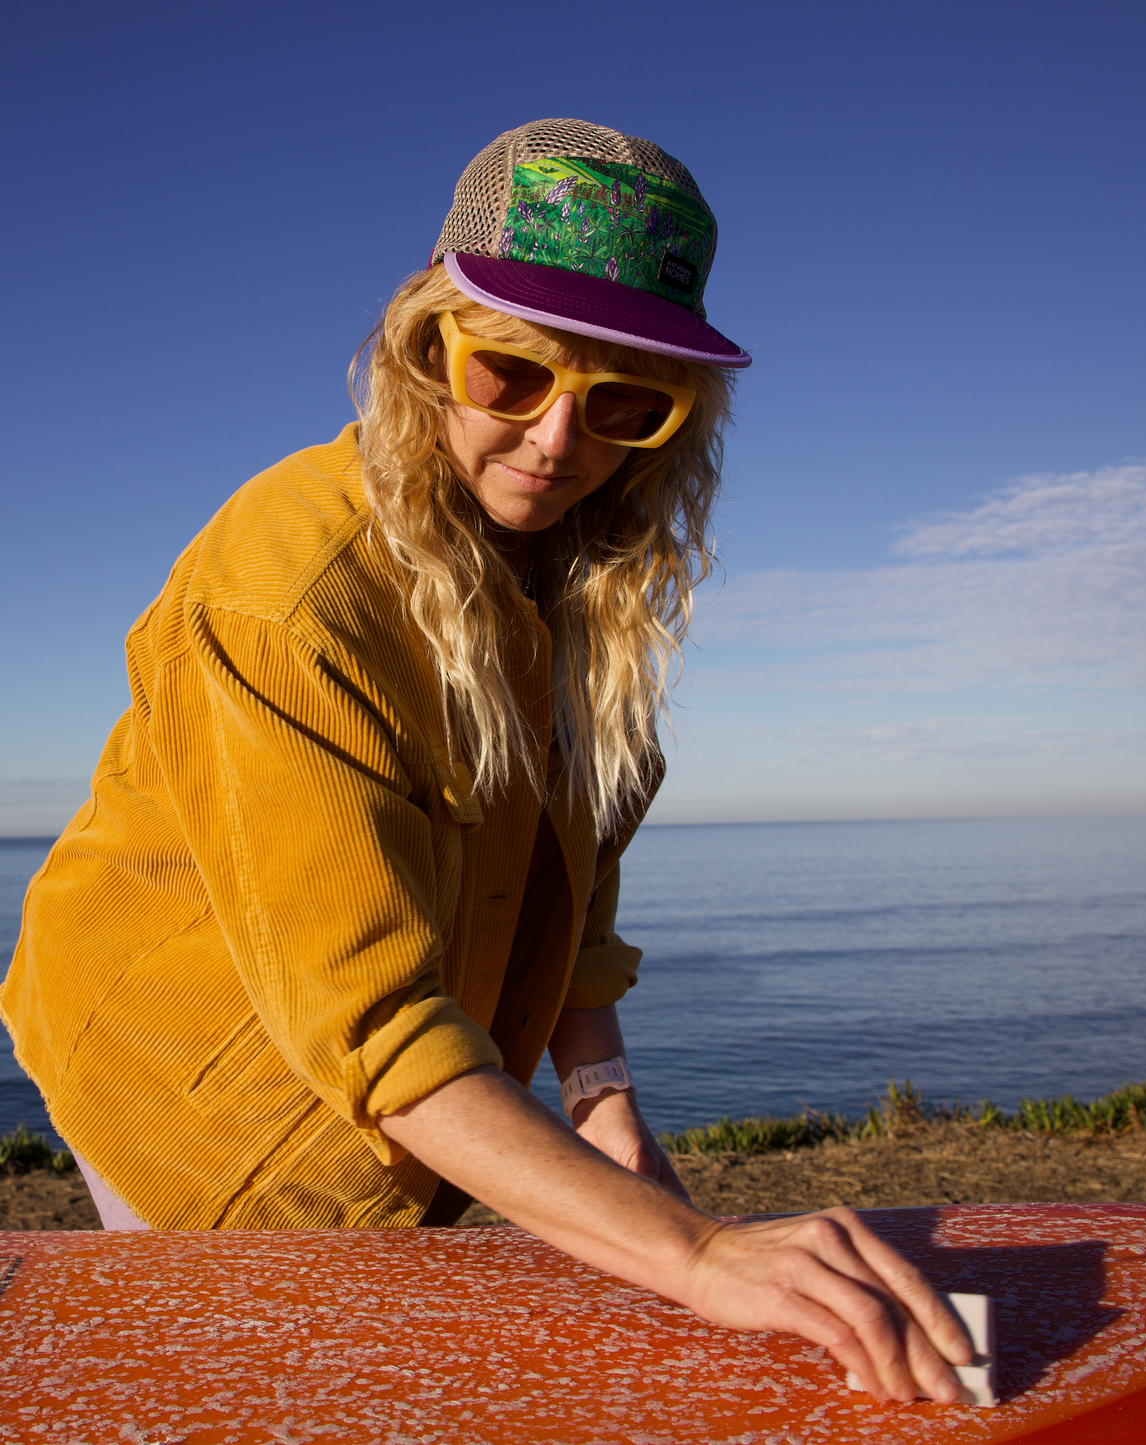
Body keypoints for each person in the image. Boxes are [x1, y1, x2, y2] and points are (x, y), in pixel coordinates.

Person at [1, 119, 971, 1402]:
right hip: (199, 1087)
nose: (559, 442)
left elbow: (573, 883)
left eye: (624, 403)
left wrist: (602, 1096)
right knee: (263, 1389)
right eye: (510, 373)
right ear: (423, 347)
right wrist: (695, 1255)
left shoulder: (583, 580)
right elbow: (375, 1025)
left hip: (412, 1077)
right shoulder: (289, 592)